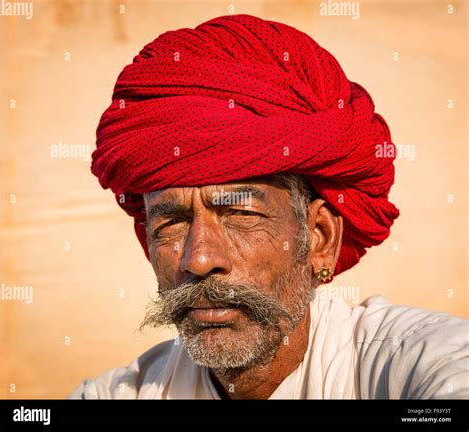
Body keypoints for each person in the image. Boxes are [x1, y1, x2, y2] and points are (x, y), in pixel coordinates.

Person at [69, 14, 468, 399]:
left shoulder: (423, 364)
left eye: (240, 215)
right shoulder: (120, 395)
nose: (200, 259)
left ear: (320, 239)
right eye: (172, 222)